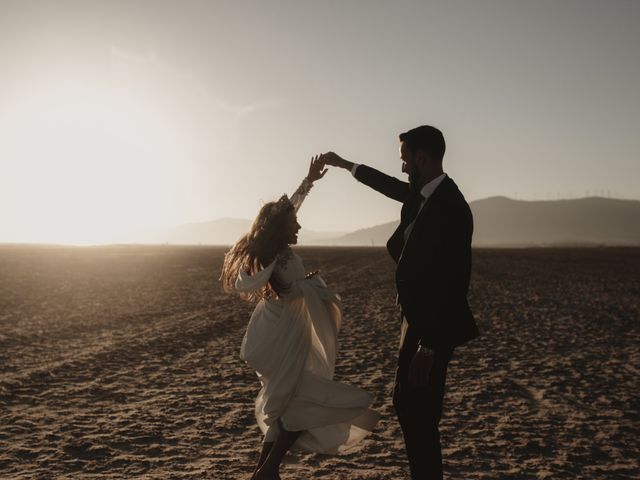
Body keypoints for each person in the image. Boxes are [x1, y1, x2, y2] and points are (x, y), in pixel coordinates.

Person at [321, 125, 480, 479]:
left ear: (421, 158)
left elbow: (456, 282)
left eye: (405, 159)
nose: (403, 167)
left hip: (431, 329)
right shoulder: (421, 194)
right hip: (417, 321)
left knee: (418, 410)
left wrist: (429, 345)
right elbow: (385, 183)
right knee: (409, 406)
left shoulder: (452, 207)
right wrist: (345, 164)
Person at [221, 156, 379, 480]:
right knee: (297, 404)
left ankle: (264, 472)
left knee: (287, 405)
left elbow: (288, 211)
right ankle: (267, 471)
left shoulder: (282, 249)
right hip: (283, 335)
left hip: (290, 332)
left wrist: (308, 181)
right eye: (294, 223)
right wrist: (305, 286)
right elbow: (288, 286)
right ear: (281, 228)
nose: (299, 226)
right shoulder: (272, 254)